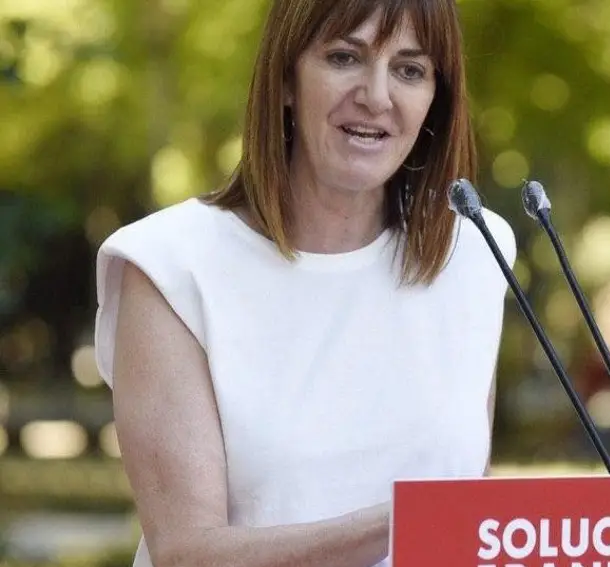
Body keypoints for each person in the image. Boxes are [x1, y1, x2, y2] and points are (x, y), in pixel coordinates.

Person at [92, 0, 516, 566]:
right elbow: (188, 555)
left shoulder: (474, 250)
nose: (377, 95)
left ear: (436, 97)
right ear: (286, 80)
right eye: (345, 57)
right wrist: (413, 516)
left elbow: (471, 521)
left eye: (410, 70)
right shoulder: (171, 266)